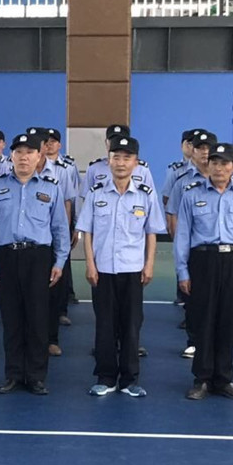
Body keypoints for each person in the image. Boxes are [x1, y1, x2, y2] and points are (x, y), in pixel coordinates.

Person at [77, 136, 165, 397]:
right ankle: (106, 377)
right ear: (109, 161)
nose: (121, 163)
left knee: (131, 325)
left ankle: (129, 379)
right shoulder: (96, 193)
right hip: (102, 269)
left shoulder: (146, 195)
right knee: (104, 324)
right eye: (116, 157)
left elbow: (151, 232)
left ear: (136, 163)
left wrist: (149, 265)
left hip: (133, 270)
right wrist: (90, 264)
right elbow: (87, 232)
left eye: (127, 158)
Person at [0, 133, 70, 395]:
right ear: (11, 156)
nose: (23, 157)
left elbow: (60, 228)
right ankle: (13, 374)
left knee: (37, 318)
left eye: (29, 152)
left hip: (38, 257)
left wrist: (60, 261)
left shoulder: (51, 188)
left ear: (39, 156)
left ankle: (35, 376)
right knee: (11, 318)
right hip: (6, 256)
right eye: (18, 152)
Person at [175, 143, 233, 401]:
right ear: (207, 165)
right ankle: (201, 378)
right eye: (214, 162)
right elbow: (182, 235)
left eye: (224, 163)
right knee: (203, 320)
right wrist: (182, 271)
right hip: (203, 261)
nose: (219, 168)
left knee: (227, 321)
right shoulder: (191, 194)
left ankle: (223, 379)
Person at [164, 130, 217, 358]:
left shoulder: (227, 180)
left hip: (221, 251)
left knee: (219, 301)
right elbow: (173, 214)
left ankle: (216, 343)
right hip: (194, 249)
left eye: (208, 148)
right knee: (194, 299)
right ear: (191, 151)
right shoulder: (182, 182)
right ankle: (194, 341)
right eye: (199, 148)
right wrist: (179, 244)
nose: (204, 152)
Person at [33, 127, 77, 356]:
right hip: (26, 242)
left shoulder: (62, 171)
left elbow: (68, 203)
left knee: (52, 291)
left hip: (50, 238)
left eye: (48, 143)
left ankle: (51, 338)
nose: (46, 146)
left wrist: (66, 232)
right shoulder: (14, 172)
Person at [84, 125, 155, 193]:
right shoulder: (94, 168)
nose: (117, 143)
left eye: (120, 139)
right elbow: (87, 197)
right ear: (106, 142)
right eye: (113, 140)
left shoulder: (142, 169)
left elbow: (150, 195)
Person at [161, 129, 201, 207]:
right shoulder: (175, 170)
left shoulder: (211, 168)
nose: (192, 147)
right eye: (189, 143)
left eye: (197, 144)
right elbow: (166, 199)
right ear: (181, 146)